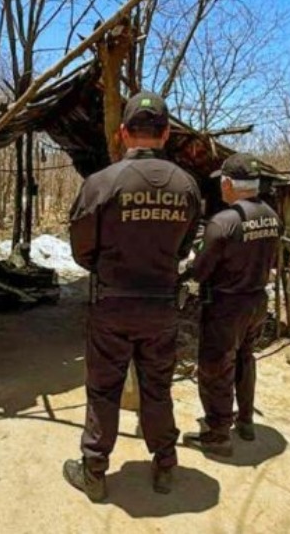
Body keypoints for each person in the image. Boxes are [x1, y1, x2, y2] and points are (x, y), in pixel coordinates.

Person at [63, 91, 201, 501]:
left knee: (103, 389)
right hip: (161, 306)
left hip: (112, 304)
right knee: (156, 388)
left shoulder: (101, 184)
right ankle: (164, 464)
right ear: (167, 133)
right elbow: (182, 249)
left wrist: (111, 268)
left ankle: (94, 470)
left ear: (123, 133)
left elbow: (81, 250)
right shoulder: (188, 186)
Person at [181, 153, 282, 457]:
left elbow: (200, 271)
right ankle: (246, 420)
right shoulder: (273, 216)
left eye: (221, 183)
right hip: (257, 300)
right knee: (245, 358)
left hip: (226, 304)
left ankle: (217, 434)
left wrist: (187, 266)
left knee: (215, 368)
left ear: (228, 183)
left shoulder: (224, 222)